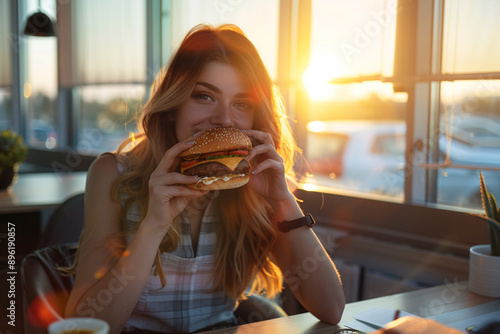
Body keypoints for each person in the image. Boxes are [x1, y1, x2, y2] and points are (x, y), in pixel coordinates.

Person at [64, 24, 345, 333]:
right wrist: (153, 227)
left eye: (241, 103)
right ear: (173, 106)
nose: (224, 118)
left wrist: (283, 199)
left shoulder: (259, 188)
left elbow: (330, 308)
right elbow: (86, 323)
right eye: (205, 96)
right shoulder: (112, 174)